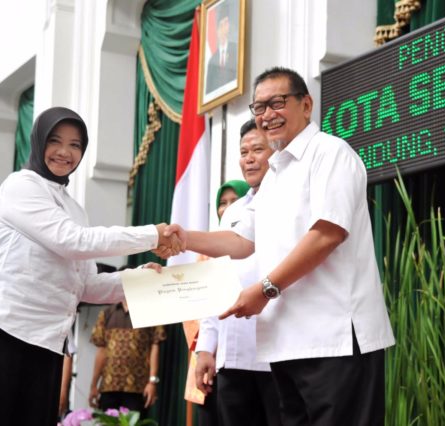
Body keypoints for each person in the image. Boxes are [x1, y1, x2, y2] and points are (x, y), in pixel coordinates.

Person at [162, 67, 395, 425]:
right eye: (259, 107)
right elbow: (241, 241)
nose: (267, 115)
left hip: (336, 341)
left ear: (306, 104)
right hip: (285, 344)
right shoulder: (274, 177)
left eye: (277, 103)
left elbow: (327, 233)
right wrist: (183, 237)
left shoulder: (330, 153)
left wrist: (266, 288)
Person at [0, 107, 183, 426]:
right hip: (4, 332)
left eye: (75, 145)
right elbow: (71, 240)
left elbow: (85, 286)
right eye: (55, 141)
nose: (65, 152)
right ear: (38, 142)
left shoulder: (74, 209)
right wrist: (150, 235)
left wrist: (141, 279)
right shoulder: (21, 186)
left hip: (47, 341)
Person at [195, 119, 281, 426]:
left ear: (277, 150)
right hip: (233, 356)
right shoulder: (232, 212)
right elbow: (215, 279)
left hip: (280, 354)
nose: (249, 157)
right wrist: (206, 347)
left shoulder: (291, 199)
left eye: (258, 149)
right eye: (243, 151)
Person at [185, 179, 250, 426]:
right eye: (222, 203)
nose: (228, 208)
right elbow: (203, 307)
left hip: (250, 358)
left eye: (234, 201)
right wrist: (204, 346)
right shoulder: (207, 251)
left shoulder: (261, 241)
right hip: (211, 352)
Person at [89, 297, 165, 417]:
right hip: (109, 386)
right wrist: (93, 385)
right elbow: (101, 351)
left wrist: (152, 382)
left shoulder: (149, 311)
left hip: (137, 387)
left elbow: (155, 346)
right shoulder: (107, 313)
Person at [205, 3, 238, 94]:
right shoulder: (212, 60)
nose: (226, 26)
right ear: (218, 29)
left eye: (227, 23)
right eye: (222, 24)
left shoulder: (236, 50)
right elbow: (208, 90)